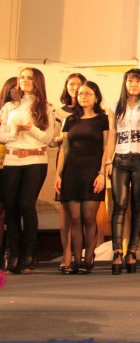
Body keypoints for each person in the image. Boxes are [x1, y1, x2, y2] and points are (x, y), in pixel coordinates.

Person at [0, 68, 55, 274]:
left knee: (26, 205)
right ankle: (15, 255)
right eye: (22, 77)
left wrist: (31, 128)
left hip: (35, 160)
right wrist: (14, 131)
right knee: (11, 207)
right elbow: (2, 136)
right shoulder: (9, 107)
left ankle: (29, 255)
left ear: (37, 81)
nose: (25, 80)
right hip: (12, 159)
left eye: (30, 78)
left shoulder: (46, 107)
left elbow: (48, 139)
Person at [55, 81, 110, 274]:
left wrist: (102, 173)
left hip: (93, 170)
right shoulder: (70, 120)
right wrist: (58, 174)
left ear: (96, 97)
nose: (83, 97)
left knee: (88, 216)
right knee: (75, 218)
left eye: (87, 94)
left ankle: (88, 259)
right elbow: (64, 149)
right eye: (80, 94)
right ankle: (76, 261)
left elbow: (106, 147)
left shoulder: (103, 119)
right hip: (72, 171)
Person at [107, 69, 140, 275]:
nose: (134, 84)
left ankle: (132, 252)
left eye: (138, 81)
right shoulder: (114, 107)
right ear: (125, 83)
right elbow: (112, 134)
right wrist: (108, 160)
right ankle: (117, 251)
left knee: (137, 206)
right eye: (130, 81)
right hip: (119, 158)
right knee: (119, 205)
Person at [54, 73, 86, 272]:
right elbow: (53, 139)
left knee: (84, 213)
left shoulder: (93, 111)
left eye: (78, 84)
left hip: (86, 163)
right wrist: (60, 137)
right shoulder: (59, 112)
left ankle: (81, 253)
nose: (74, 88)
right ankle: (66, 253)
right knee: (65, 210)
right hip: (65, 161)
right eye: (71, 84)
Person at [0, 77, 18, 271]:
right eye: (13, 87)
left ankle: (12, 251)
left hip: (13, 164)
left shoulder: (24, 111)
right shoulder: (3, 110)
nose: (16, 90)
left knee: (12, 209)